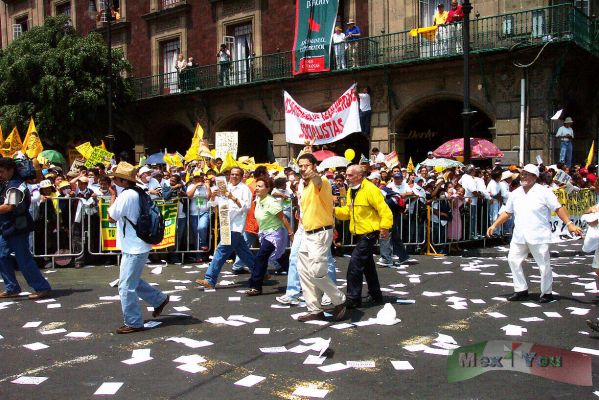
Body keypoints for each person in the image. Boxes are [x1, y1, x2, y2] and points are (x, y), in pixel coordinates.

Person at [487, 164, 582, 303]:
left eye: (527, 174)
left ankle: (547, 293)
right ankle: (521, 290)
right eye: (522, 174)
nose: (523, 176)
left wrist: (569, 224)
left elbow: (558, 208)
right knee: (513, 260)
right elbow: (508, 212)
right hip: (520, 234)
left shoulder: (544, 192)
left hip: (539, 235)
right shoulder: (516, 193)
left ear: (534, 177)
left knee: (543, 265)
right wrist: (494, 225)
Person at [107, 162, 170, 334]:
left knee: (126, 286)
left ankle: (133, 322)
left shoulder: (126, 195)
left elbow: (111, 217)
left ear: (123, 181)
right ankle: (159, 299)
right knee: (129, 281)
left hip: (134, 247)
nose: (114, 182)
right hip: (137, 244)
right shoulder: (139, 191)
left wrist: (112, 195)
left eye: (116, 179)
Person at [295, 153, 347, 322]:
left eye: (307, 165)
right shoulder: (304, 186)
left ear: (314, 166)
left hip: (320, 233)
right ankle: (314, 309)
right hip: (306, 233)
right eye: (301, 166)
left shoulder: (322, 181)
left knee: (317, 272)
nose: (303, 169)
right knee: (304, 272)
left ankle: (339, 299)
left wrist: (314, 175)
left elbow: (317, 181)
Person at [335, 165, 393, 308]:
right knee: (368, 266)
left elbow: (384, 210)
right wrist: (333, 210)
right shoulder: (350, 191)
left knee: (355, 264)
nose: (346, 178)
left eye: (350, 175)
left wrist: (385, 227)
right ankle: (375, 295)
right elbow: (348, 212)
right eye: (346, 175)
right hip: (359, 232)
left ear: (360, 175)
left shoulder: (371, 189)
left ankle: (353, 298)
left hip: (369, 233)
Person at [0, 157, 52, 300]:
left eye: (2, 171)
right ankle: (12, 288)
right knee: (1, 256)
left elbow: (10, 206)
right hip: (8, 227)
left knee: (24, 259)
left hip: (18, 227)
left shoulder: (16, 185)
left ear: (11, 170)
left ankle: (42, 287)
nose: (0, 174)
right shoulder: (9, 183)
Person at [195, 166, 255, 289]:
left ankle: (210, 279)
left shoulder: (244, 189)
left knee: (221, 251)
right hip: (225, 224)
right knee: (243, 252)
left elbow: (246, 208)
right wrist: (213, 195)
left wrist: (232, 197)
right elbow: (212, 204)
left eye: (237, 174)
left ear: (242, 176)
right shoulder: (224, 186)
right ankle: (260, 272)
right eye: (232, 174)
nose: (234, 176)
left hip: (235, 226)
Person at [245, 177, 292, 296]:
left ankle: (256, 286)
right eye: (257, 186)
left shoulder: (271, 202)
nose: (257, 188)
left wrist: (291, 234)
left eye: (260, 186)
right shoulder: (258, 199)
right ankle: (299, 279)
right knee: (282, 258)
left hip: (275, 234)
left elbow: (284, 219)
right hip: (265, 233)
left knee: (260, 257)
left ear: (268, 189)